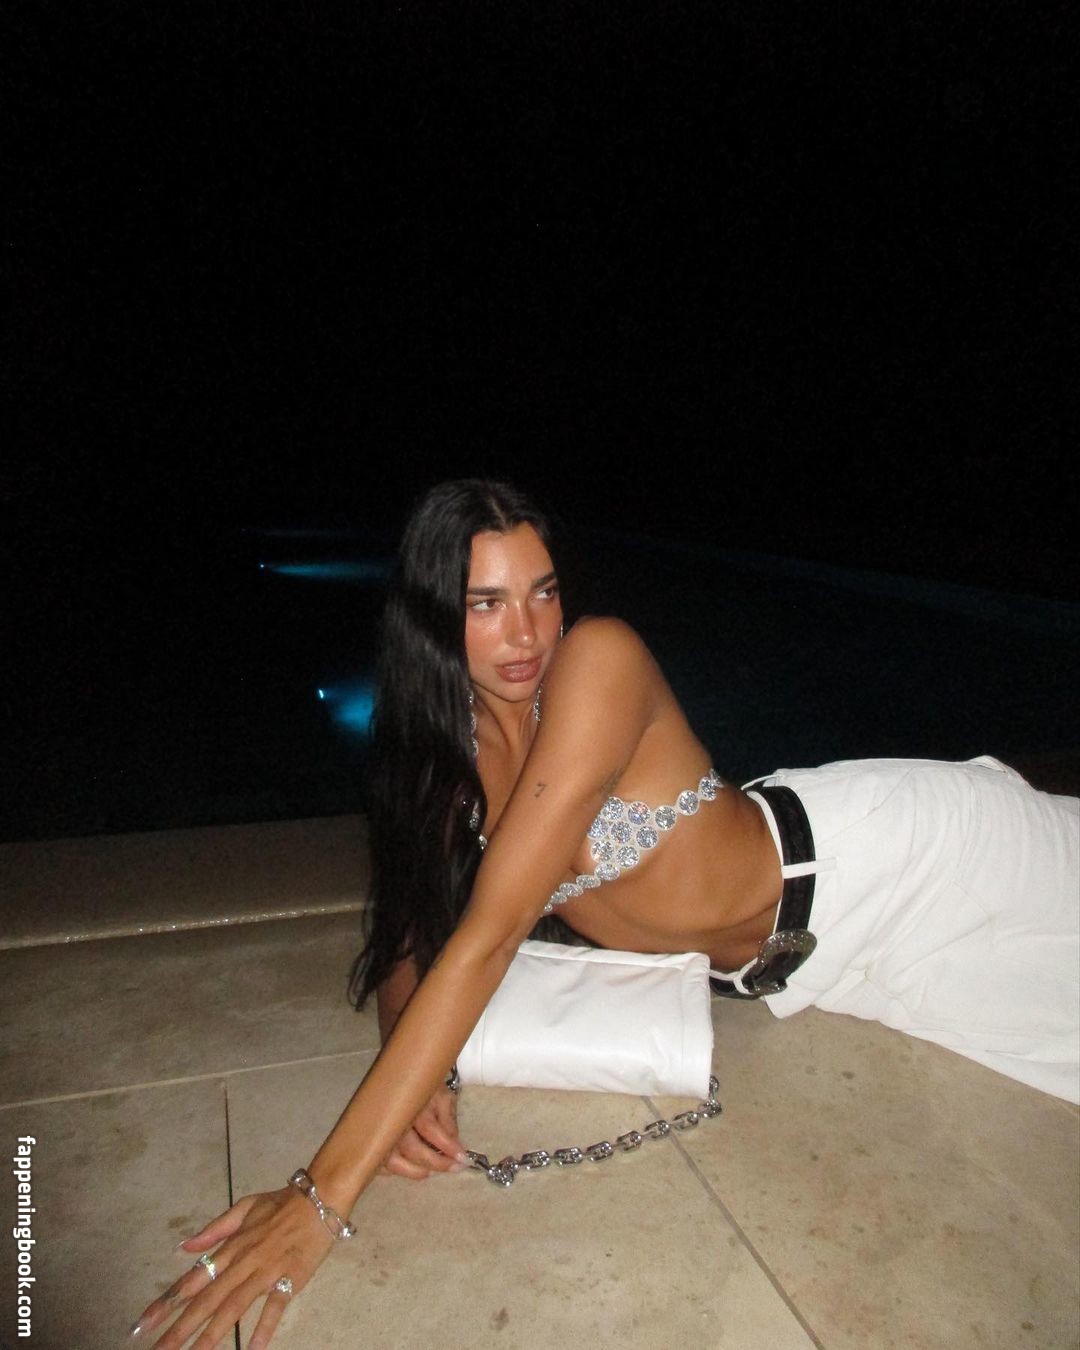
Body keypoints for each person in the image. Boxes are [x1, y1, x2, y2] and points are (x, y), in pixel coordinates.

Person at [133, 479, 1079, 1347]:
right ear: (432, 618)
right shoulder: (449, 751)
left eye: (542, 592)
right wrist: (415, 1071)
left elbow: (488, 938)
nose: (526, 633)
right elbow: (414, 932)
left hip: (904, 863)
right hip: (824, 968)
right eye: (485, 604)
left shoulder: (599, 663)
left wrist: (319, 1200)